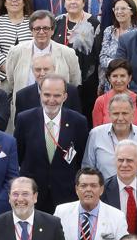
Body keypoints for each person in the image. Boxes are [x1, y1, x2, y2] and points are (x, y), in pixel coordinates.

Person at [13, 74, 89, 211]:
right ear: (40, 94)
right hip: (32, 195)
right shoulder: (25, 119)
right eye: (47, 95)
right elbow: (18, 156)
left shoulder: (78, 122)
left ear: (65, 97)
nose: (51, 100)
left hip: (66, 195)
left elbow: (80, 158)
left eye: (57, 96)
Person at [84, 94, 137, 180]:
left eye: (125, 113)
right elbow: (87, 168)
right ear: (109, 114)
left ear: (132, 114)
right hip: (105, 191)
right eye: (116, 114)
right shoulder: (96, 134)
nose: (120, 118)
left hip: (136, 191)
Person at [4, 9, 82, 93]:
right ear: (31, 31)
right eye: (37, 28)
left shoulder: (68, 53)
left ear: (52, 30)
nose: (41, 32)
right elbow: (12, 81)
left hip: (57, 104)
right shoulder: (16, 52)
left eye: (45, 28)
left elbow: (74, 82)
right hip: (25, 104)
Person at [53, 0, 102, 110]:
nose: (73, 2)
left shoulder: (93, 23)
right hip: (59, 79)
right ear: (64, 3)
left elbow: (97, 55)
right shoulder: (57, 21)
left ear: (83, 2)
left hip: (86, 82)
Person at [0, 0, 33, 84]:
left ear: (24, 1)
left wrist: (25, 70)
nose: (14, 0)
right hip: (3, 76)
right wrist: (9, 69)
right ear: (4, 2)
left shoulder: (33, 22)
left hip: (30, 74)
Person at [93, 59, 137, 129]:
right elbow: (97, 132)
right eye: (115, 76)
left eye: (122, 76)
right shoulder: (100, 101)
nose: (119, 80)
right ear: (109, 78)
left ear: (129, 78)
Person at [97, 0, 137, 91]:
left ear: (132, 12)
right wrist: (116, 65)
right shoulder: (109, 31)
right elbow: (102, 57)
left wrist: (117, 67)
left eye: (123, 9)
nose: (119, 12)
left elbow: (135, 59)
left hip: (130, 83)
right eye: (116, 9)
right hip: (110, 83)